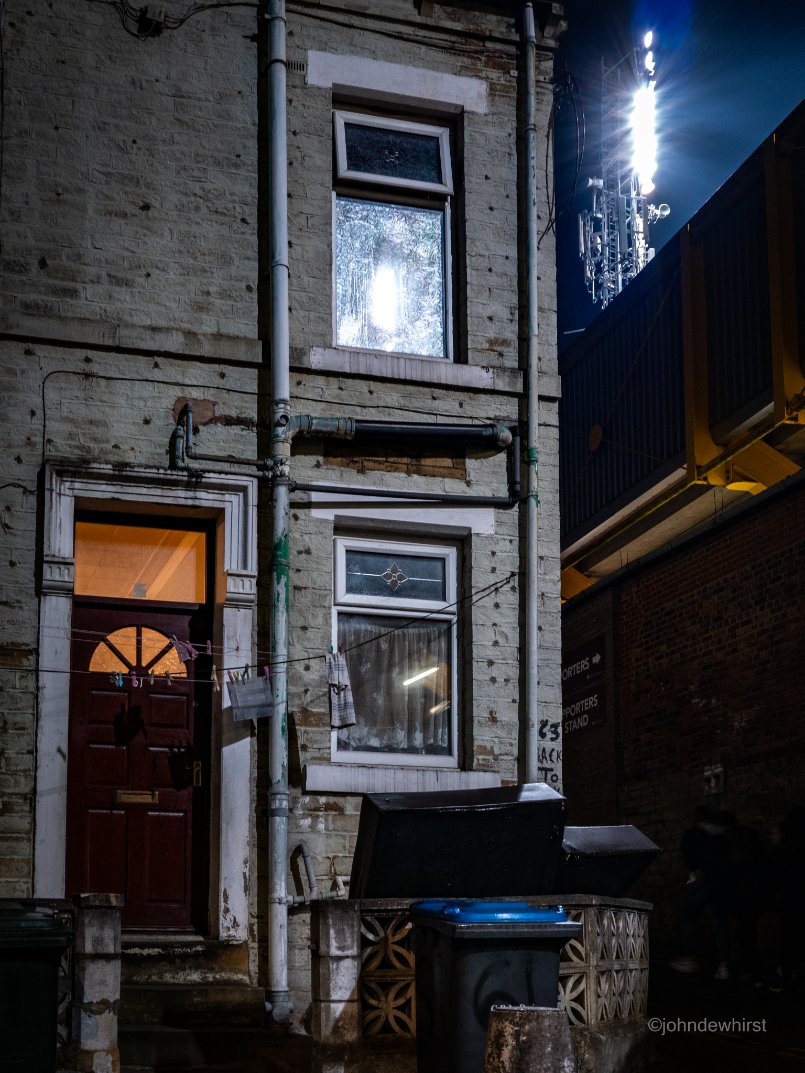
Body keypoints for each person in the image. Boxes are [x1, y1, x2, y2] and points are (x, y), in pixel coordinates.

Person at [670, 805, 731, 979]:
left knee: (690, 920)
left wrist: (694, 875)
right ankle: (724, 965)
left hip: (699, 882)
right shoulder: (723, 834)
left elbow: (689, 859)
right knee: (720, 924)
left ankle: (689, 958)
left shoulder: (692, 835)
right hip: (720, 884)